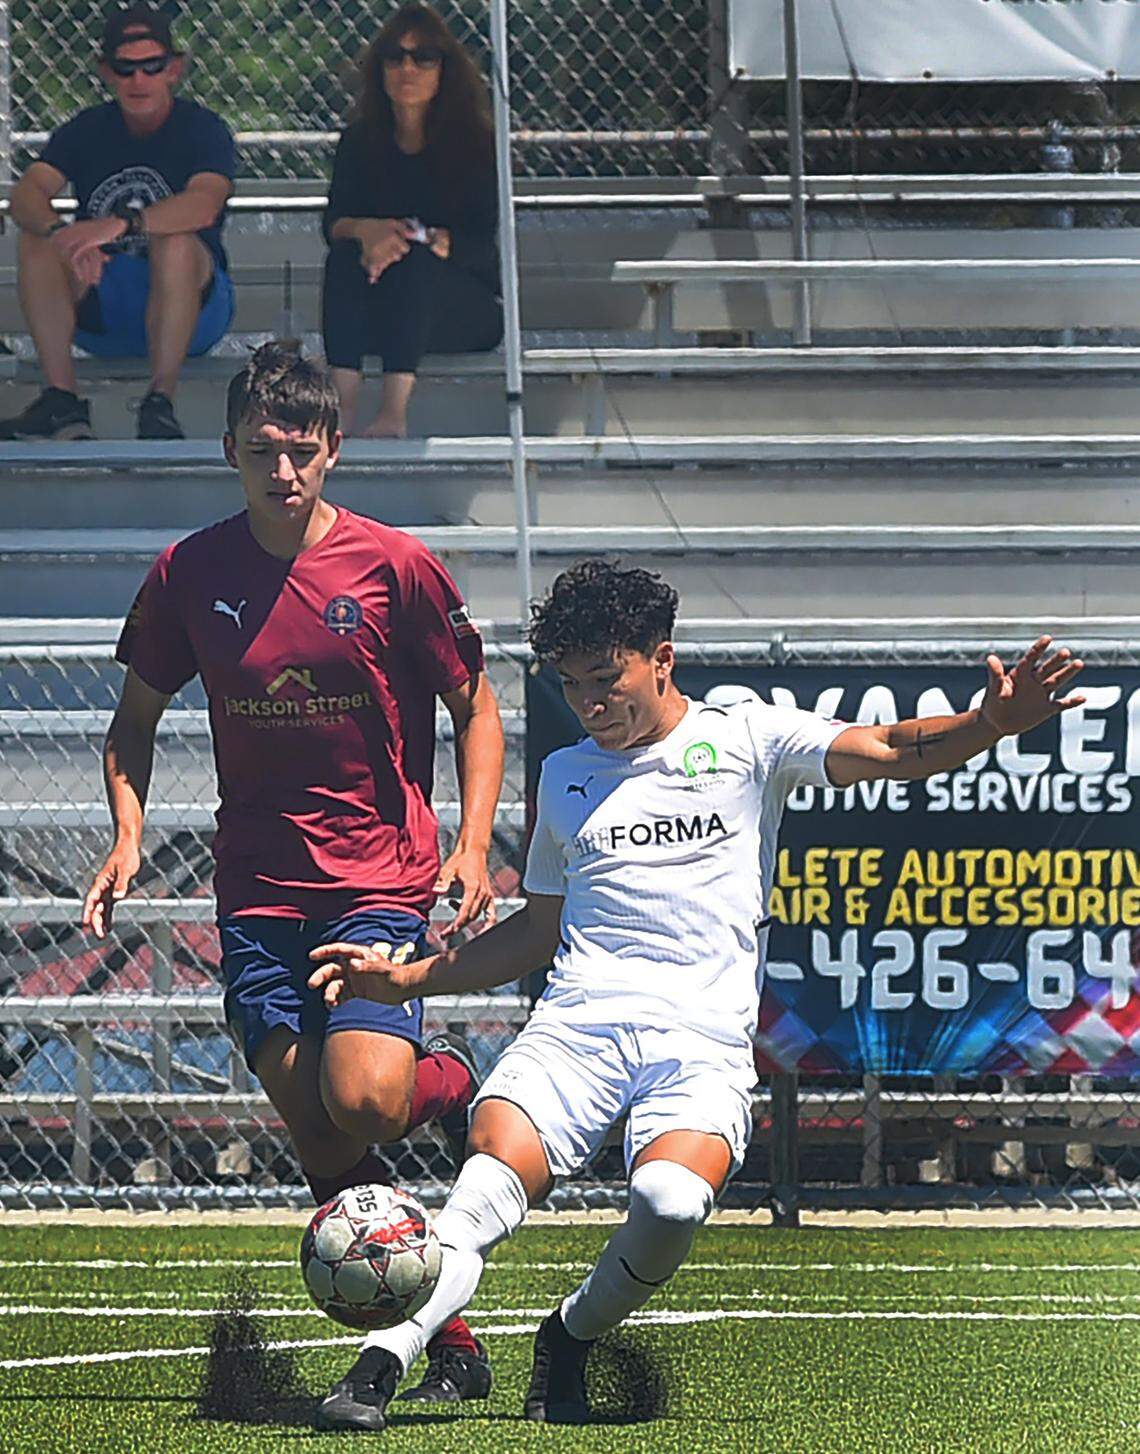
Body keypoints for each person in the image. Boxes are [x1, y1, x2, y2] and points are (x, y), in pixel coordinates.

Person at [306, 557, 1087, 1430]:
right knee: (485, 1189)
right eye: (572, 687)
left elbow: (892, 749)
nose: (591, 704)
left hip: (700, 1042)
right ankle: (379, 1366)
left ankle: (567, 1337)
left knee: (670, 1202)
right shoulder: (566, 773)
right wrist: (408, 977)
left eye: (608, 680)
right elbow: (537, 930)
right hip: (577, 1028)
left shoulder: (748, 736)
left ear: (662, 659)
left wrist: (990, 722)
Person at [80, 342, 503, 1410]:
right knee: (319, 1135)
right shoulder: (188, 573)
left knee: (363, 1100)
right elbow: (131, 725)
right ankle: (446, 1335)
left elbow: (477, 708)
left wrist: (469, 840)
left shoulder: (394, 567)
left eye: (301, 451)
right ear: (230, 450)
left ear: (332, 451)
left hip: (378, 877)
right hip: (258, 894)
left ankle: (448, 1081)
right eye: (264, 450)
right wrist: (128, 832)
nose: (283, 470)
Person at [1, 4, 236, 442]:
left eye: (152, 66)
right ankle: (62, 401)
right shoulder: (86, 129)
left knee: (176, 240)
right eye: (125, 69)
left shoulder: (203, 128)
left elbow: (205, 203)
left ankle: (159, 403)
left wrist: (120, 225)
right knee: (36, 240)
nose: (139, 80)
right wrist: (62, 235)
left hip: (192, 307)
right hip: (105, 299)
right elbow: (27, 195)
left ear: (175, 69)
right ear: (106, 72)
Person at [322, 3, 503, 438]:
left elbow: (486, 250)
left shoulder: (477, 145)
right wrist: (368, 231)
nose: (408, 68)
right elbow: (332, 225)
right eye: (395, 56)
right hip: (381, 301)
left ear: (444, 69)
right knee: (345, 260)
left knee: (415, 263)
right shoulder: (359, 141)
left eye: (424, 57)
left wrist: (431, 240)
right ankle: (340, 409)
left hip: (461, 307)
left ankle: (392, 414)